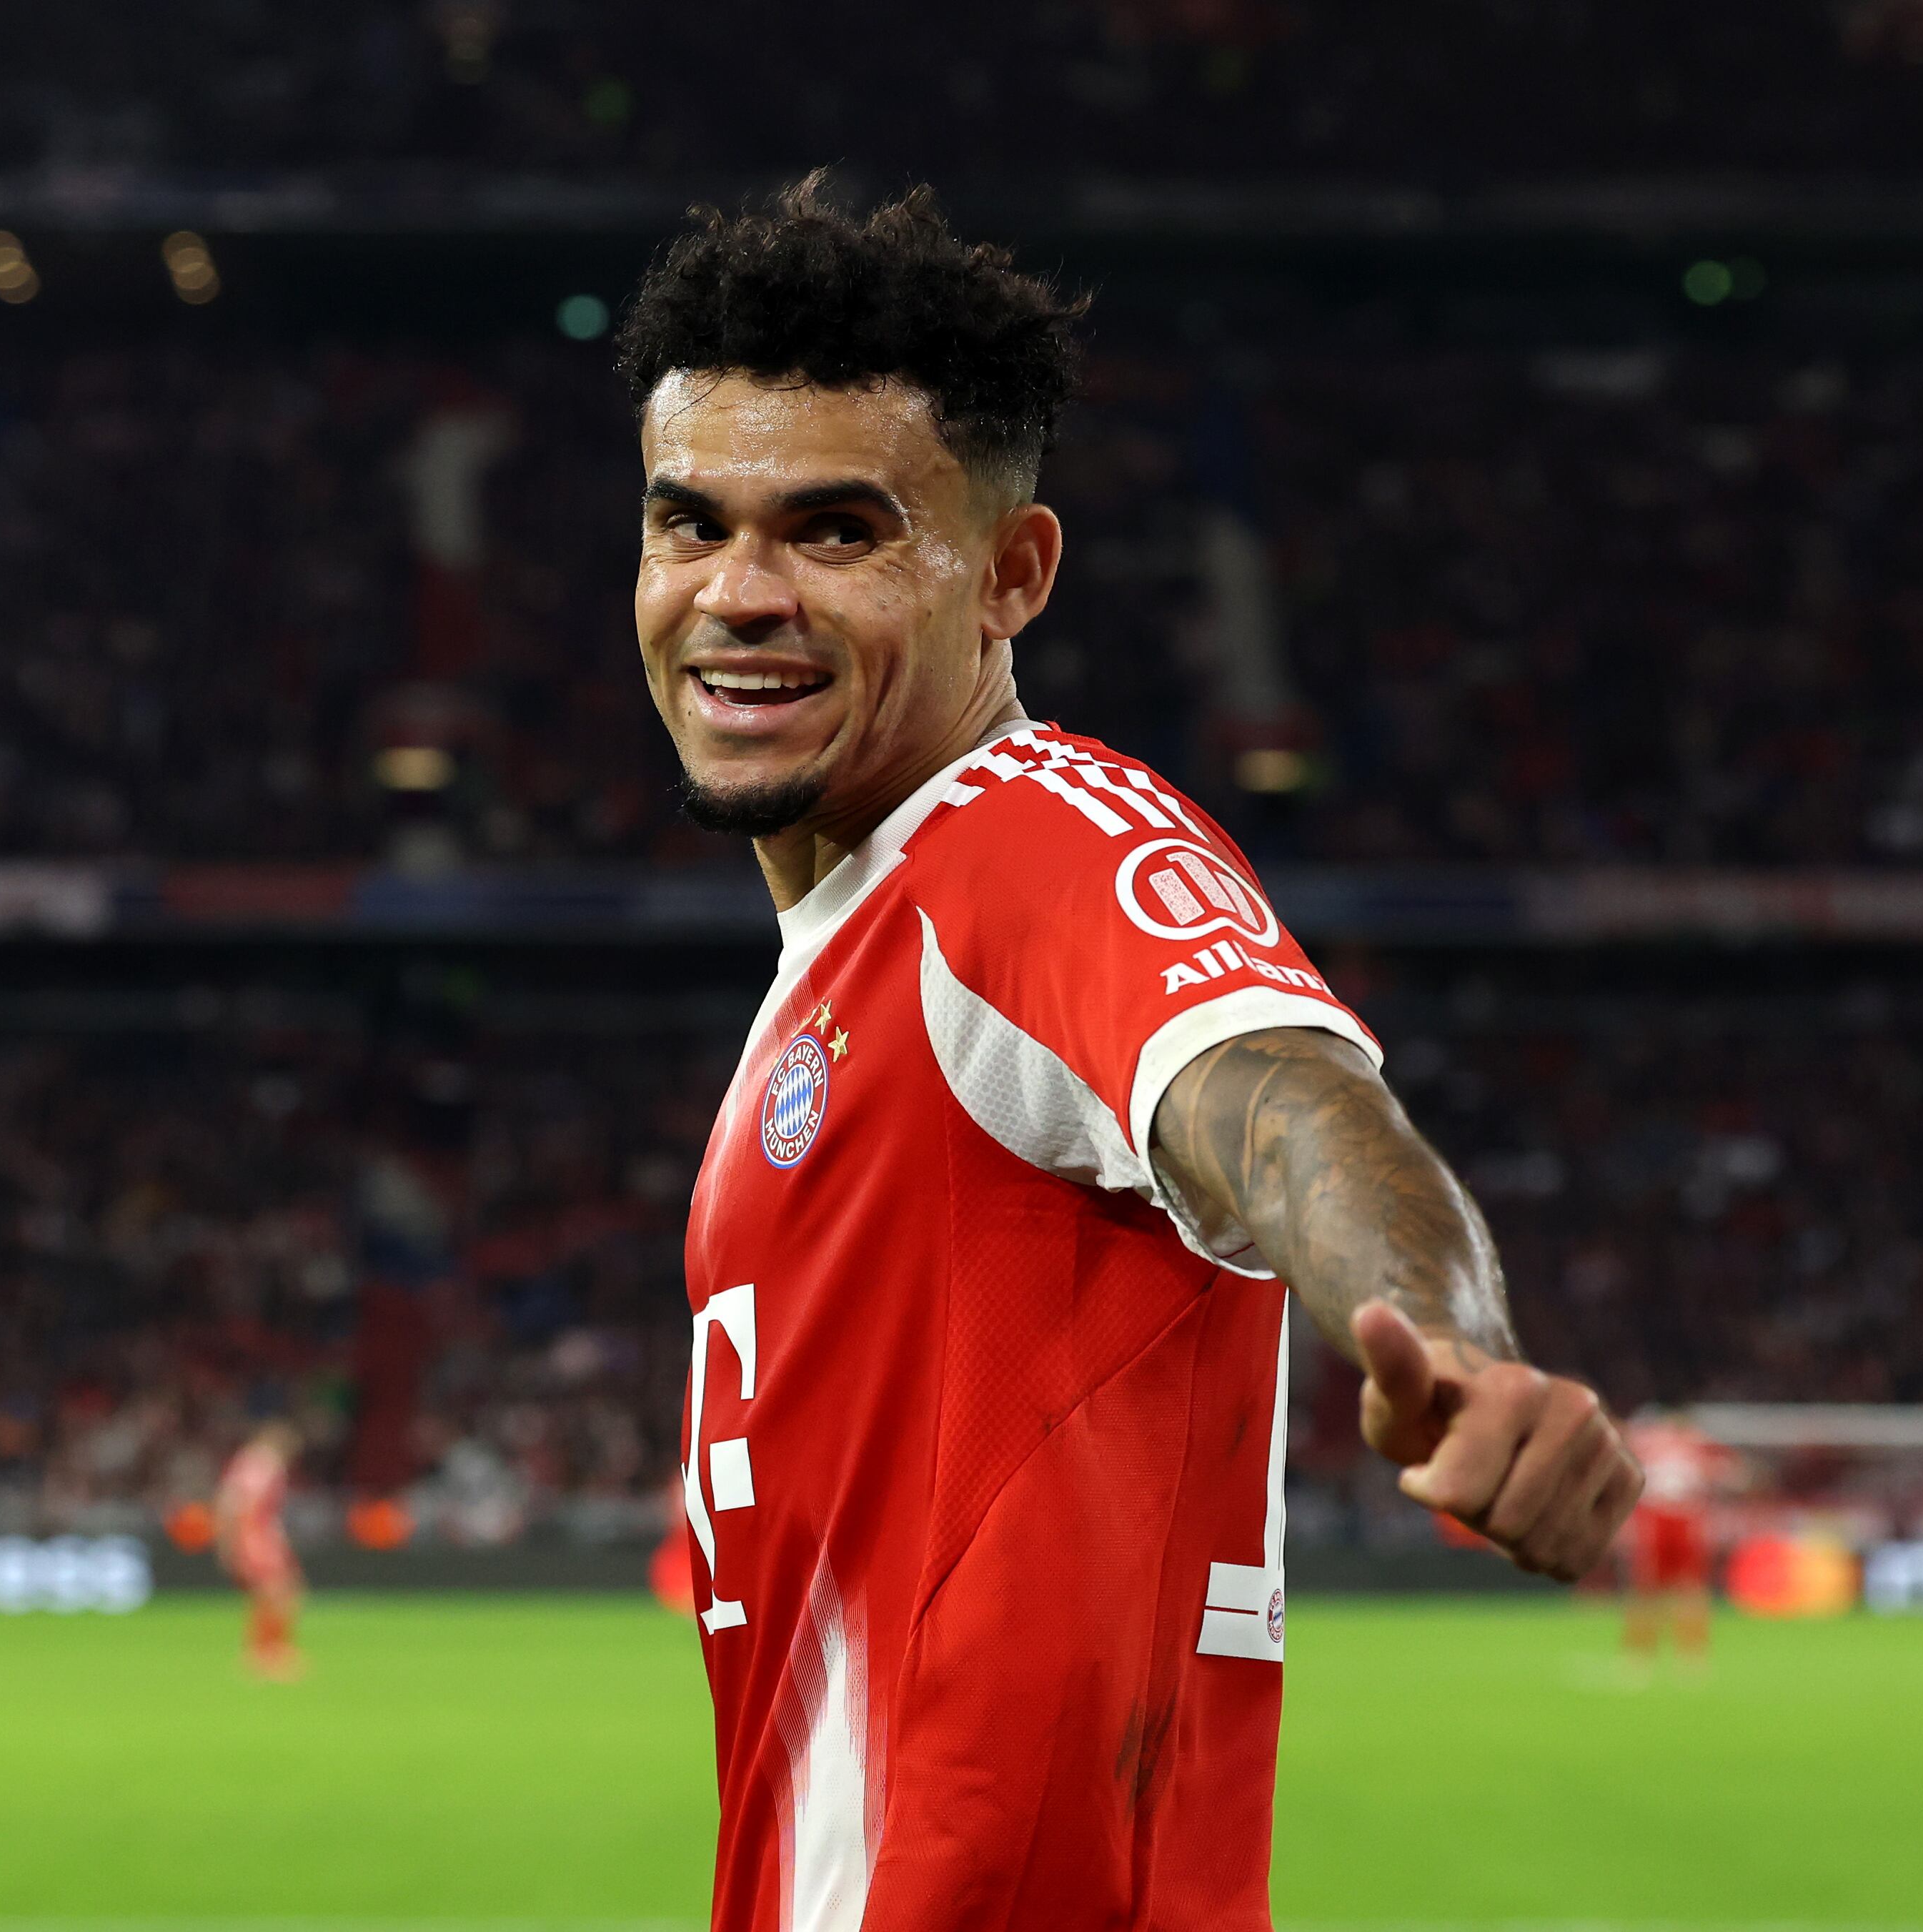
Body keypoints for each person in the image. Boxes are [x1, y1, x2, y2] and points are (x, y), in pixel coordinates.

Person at [621, 177, 1641, 1931]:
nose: (737, 594)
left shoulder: (1028, 845)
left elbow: (1275, 1097)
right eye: (686, 523)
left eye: (837, 532)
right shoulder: (846, 947)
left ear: (1011, 574)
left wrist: (1450, 1346)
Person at [1621, 1407, 1735, 1673]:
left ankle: (1690, 1654)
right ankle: (1641, 1654)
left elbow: (1729, 1472)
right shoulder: (1650, 1442)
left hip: (1685, 1517)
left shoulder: (1698, 1444)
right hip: (1657, 1517)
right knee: (1649, 1588)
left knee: (1689, 1589)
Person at [215, 1421, 304, 1680]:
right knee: (278, 1591)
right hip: (254, 1536)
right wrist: (232, 1541)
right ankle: (267, 1653)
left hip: (258, 1535)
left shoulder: (252, 1461)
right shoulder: (262, 1464)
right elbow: (236, 1503)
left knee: (279, 1592)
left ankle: (269, 1651)